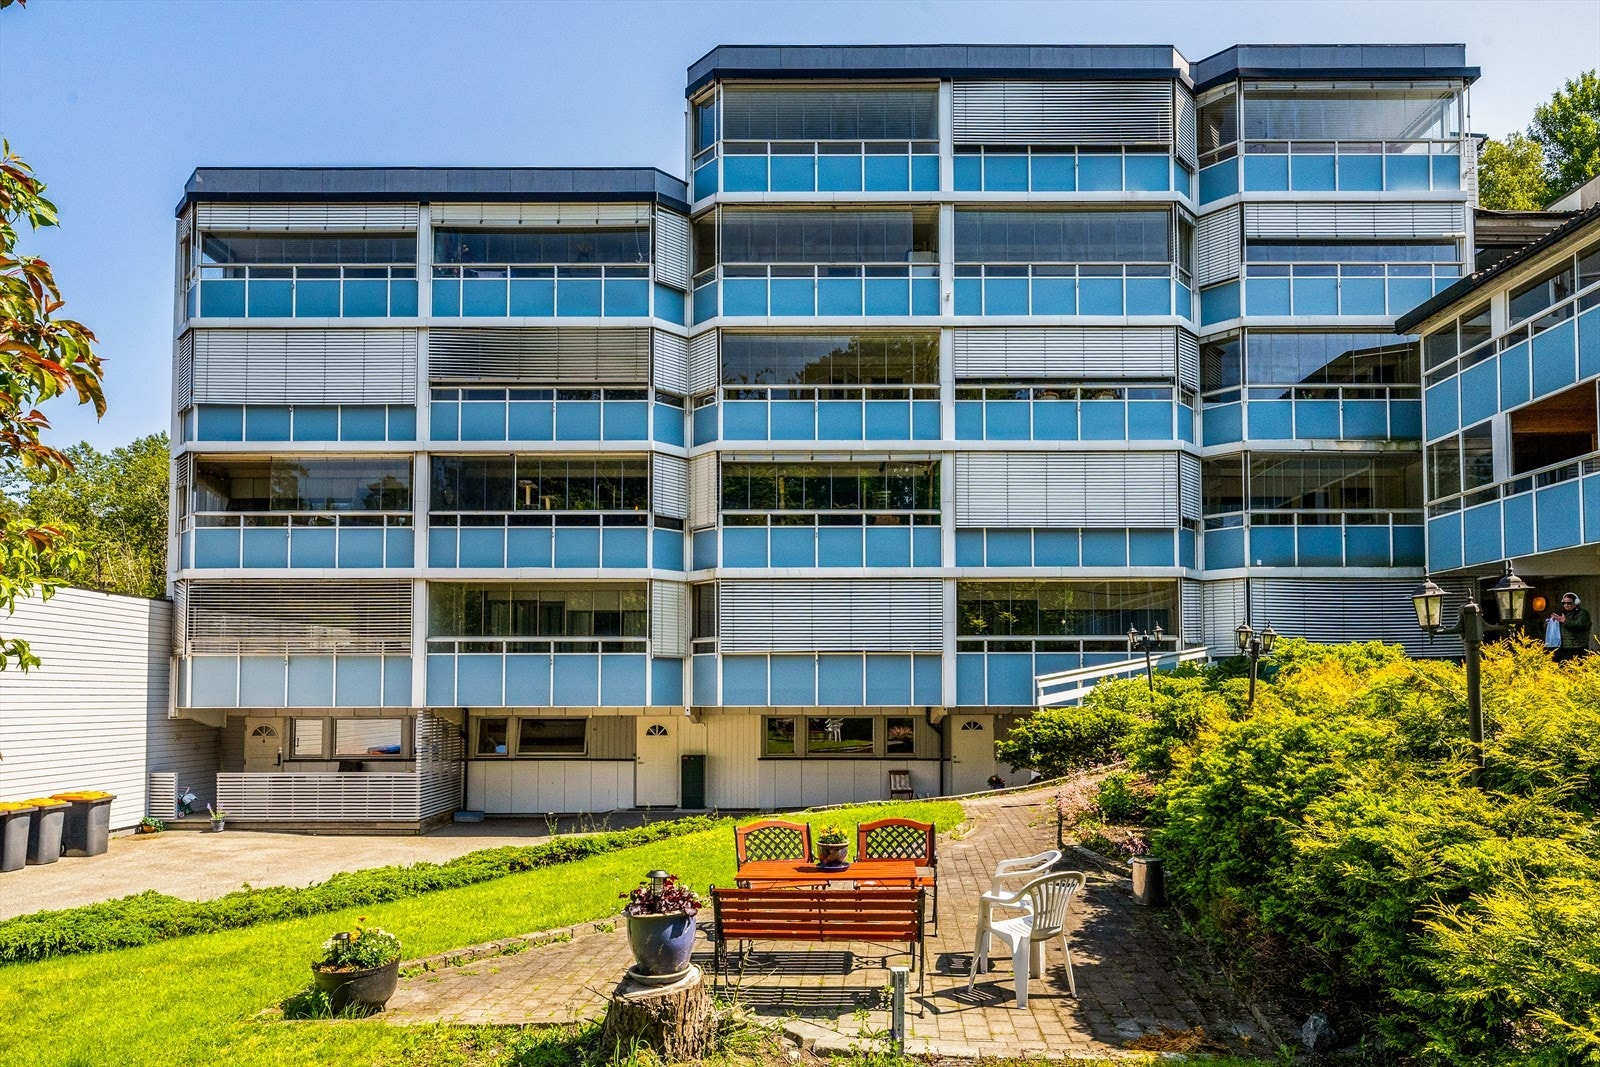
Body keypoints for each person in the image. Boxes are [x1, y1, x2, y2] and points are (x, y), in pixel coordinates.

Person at [1553, 592, 1592, 662]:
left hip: (1578, 647)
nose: (1566, 605)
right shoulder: (1562, 613)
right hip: (1563, 647)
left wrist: (1564, 621)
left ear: (1576, 602)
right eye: (1564, 603)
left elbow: (1580, 625)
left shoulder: (1583, 613)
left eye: (1569, 603)